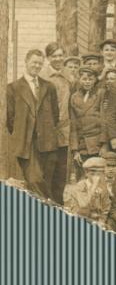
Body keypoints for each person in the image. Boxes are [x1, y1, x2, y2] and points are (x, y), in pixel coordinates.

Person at [7, 48, 60, 200]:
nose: (37, 66)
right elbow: (10, 119)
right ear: (26, 62)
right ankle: (49, 211)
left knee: (46, 181)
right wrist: (22, 132)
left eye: (40, 63)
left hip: (47, 142)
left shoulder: (48, 87)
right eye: (34, 63)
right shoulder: (13, 88)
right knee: (35, 179)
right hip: (26, 142)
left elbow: (55, 114)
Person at [42, 42, 73, 205]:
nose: (58, 59)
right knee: (48, 171)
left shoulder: (69, 76)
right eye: (54, 56)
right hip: (48, 131)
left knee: (61, 173)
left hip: (65, 131)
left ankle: (59, 206)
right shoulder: (43, 76)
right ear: (48, 58)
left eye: (61, 55)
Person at [69, 63, 105, 173]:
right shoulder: (74, 97)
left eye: (90, 79)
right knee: (82, 177)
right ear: (79, 80)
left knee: (98, 176)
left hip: (97, 144)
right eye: (84, 79)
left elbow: (105, 121)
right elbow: (73, 125)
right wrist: (75, 150)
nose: (87, 82)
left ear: (95, 80)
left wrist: (104, 145)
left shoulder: (100, 93)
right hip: (82, 145)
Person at [63, 156, 110, 226]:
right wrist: (93, 188)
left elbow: (106, 208)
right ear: (87, 173)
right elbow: (83, 207)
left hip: (96, 223)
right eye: (93, 174)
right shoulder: (78, 187)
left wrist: (102, 221)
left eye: (100, 174)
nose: (97, 177)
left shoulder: (103, 188)